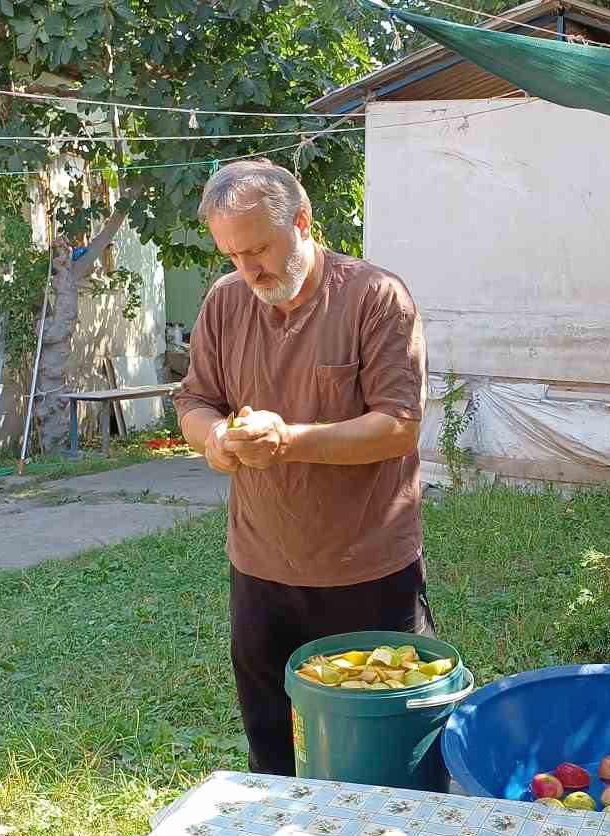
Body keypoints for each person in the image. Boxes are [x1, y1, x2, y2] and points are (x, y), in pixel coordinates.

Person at [173, 160, 433, 776]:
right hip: (260, 566)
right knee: (273, 747)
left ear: (304, 222)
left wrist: (288, 440)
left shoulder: (374, 298)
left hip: (368, 567)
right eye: (233, 254)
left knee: (386, 757)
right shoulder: (225, 302)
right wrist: (213, 440)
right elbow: (194, 399)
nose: (248, 268)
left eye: (259, 248)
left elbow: (398, 426)